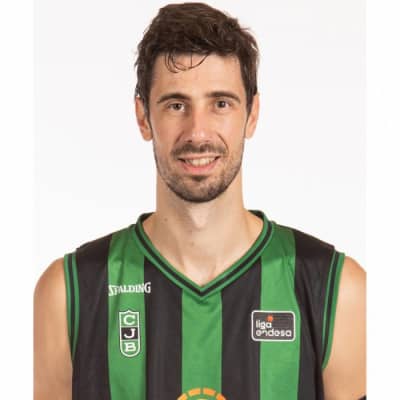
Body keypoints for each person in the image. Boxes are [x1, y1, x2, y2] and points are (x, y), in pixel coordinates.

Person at [34, 2, 366, 399]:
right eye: (176, 105)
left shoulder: (337, 290)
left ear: (252, 115)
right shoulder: (68, 293)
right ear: (143, 117)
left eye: (221, 103)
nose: (198, 132)